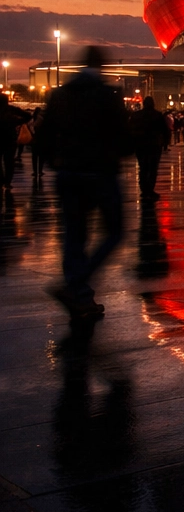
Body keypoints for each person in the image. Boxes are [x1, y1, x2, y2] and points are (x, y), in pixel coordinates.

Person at [36, 47, 129, 318]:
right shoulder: (107, 95)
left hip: (69, 174)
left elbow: (42, 137)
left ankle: (80, 297)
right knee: (114, 231)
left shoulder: (61, 95)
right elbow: (123, 138)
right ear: (102, 65)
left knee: (74, 235)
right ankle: (75, 285)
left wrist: (57, 163)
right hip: (100, 173)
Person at [128, 94, 171, 200]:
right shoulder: (157, 115)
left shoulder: (136, 115)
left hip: (140, 144)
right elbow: (165, 130)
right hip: (154, 144)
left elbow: (129, 129)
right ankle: (150, 189)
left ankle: (144, 189)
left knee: (143, 168)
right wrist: (165, 142)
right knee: (152, 168)